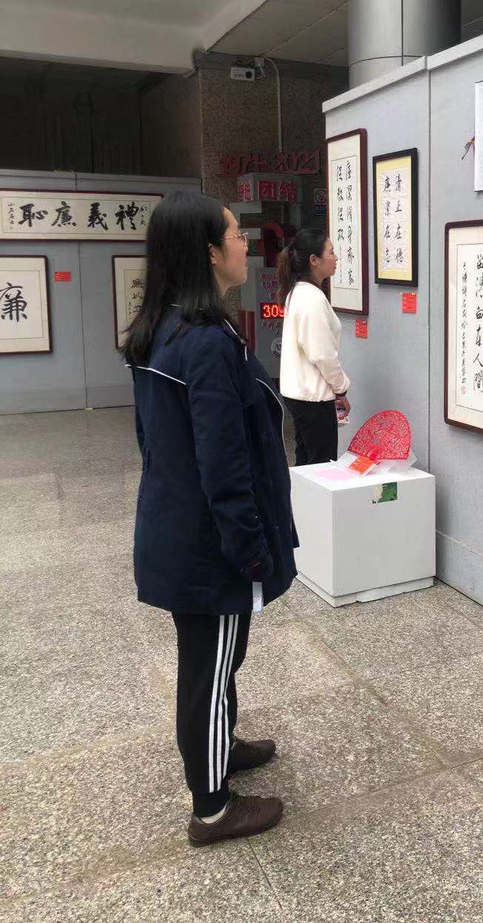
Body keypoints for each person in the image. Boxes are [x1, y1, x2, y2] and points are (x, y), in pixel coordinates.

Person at [124, 190, 298, 847]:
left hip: (176, 527)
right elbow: (223, 462)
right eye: (235, 234)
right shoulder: (204, 343)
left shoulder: (164, 329)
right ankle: (213, 808)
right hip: (207, 545)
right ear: (207, 252)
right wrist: (248, 548)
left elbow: (150, 440)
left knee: (218, 658)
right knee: (209, 664)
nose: (245, 243)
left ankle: (219, 744)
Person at [278, 227, 351, 465]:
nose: (336, 257)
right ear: (314, 260)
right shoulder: (311, 298)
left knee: (306, 463)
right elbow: (322, 354)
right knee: (322, 467)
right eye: (331, 252)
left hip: (301, 395)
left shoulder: (299, 292)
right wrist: (341, 388)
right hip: (314, 398)